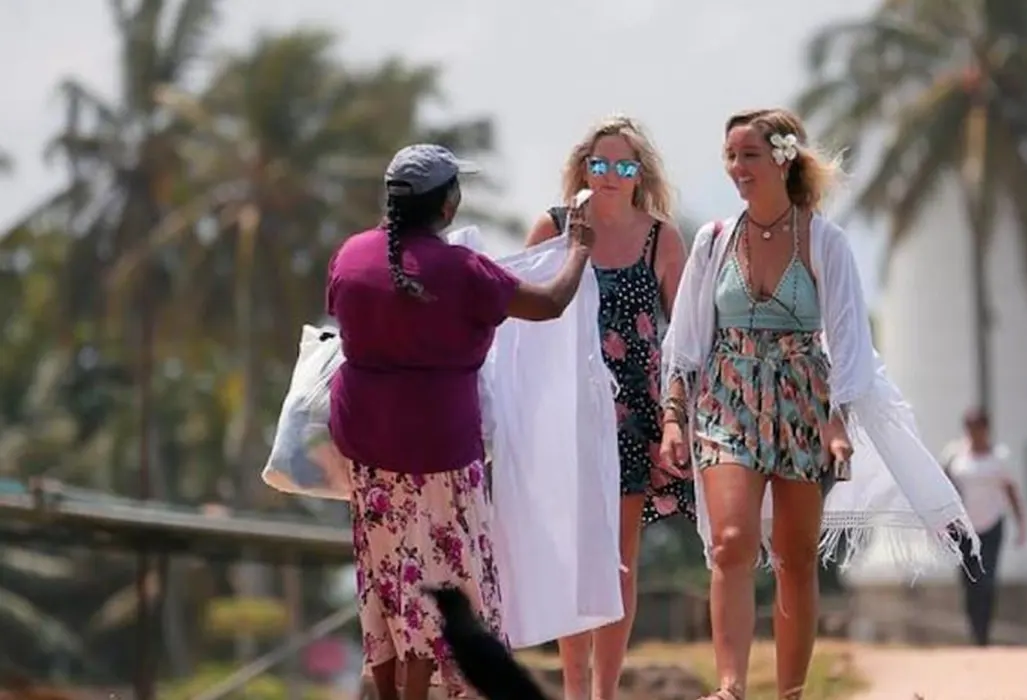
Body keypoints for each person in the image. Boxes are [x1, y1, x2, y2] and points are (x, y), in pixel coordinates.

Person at [660, 108, 973, 700]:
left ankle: (791, 691)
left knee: (796, 557)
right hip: (727, 398)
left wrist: (837, 422)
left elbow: (850, 342)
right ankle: (729, 686)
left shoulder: (825, 242)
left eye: (749, 155)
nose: (736, 168)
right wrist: (675, 415)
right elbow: (686, 340)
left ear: (781, 158)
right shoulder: (713, 241)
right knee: (730, 541)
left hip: (802, 401)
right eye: (730, 156)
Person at [326, 144, 594, 700]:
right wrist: (580, 251)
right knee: (446, 582)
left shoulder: (351, 256)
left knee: (386, 582)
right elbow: (547, 304)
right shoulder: (463, 270)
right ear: (447, 206)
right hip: (441, 453)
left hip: (369, 452)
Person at [523, 115, 694, 700]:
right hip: (567, 411)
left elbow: (685, 335)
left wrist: (677, 415)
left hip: (635, 413)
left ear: (639, 173)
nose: (612, 176)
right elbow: (522, 322)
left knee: (619, 561)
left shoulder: (662, 238)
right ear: (584, 167)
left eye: (624, 166)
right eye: (602, 164)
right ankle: (574, 690)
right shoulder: (553, 226)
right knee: (573, 555)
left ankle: (605, 693)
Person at [941, 407, 1027, 647]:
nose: (973, 432)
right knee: (969, 581)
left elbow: (1011, 491)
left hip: (991, 526)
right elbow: (943, 487)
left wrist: (1021, 524)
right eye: (969, 426)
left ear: (986, 429)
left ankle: (984, 632)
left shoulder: (999, 458)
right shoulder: (954, 455)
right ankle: (974, 631)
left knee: (987, 580)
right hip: (963, 529)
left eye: (978, 426)